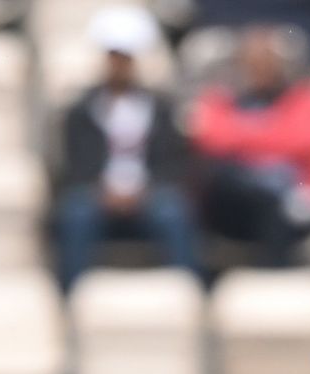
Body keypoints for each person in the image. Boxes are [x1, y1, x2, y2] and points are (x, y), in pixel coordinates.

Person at [54, 7, 202, 288]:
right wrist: (102, 190)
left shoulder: (161, 108)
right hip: (97, 193)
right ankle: (72, 296)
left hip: (150, 194)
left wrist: (145, 190)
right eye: (114, 58)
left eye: (125, 58)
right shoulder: (81, 110)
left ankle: (188, 292)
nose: (119, 65)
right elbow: (73, 165)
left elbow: (174, 162)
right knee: (75, 214)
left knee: (175, 213)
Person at [189, 26, 310, 266]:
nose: (258, 70)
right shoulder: (219, 98)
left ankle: (274, 276)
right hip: (233, 207)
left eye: (266, 62)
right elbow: (211, 140)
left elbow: (305, 140)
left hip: (291, 209)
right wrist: (273, 134)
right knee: (223, 177)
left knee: (278, 207)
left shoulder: (305, 97)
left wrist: (244, 136)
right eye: (250, 63)